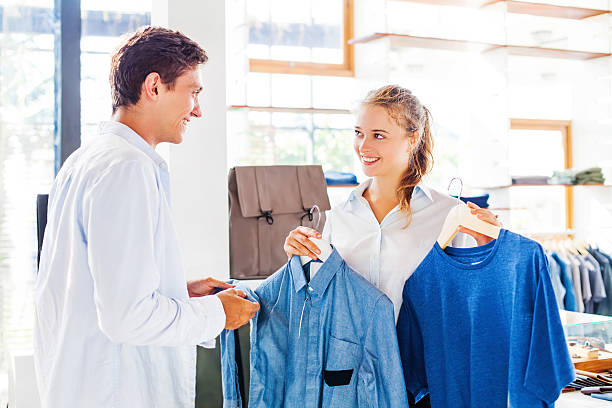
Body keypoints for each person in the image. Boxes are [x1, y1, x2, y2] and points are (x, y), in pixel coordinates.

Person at [34, 27, 259, 408]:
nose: (198, 109)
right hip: (117, 392)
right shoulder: (126, 168)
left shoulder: (87, 160)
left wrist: (177, 291)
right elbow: (127, 317)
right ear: (154, 87)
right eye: (193, 92)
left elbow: (96, 288)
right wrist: (215, 314)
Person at [284, 85, 502, 319]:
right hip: (352, 355)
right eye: (359, 133)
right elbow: (320, 297)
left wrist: (492, 250)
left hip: (419, 355)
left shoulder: (449, 215)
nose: (363, 146)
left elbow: (479, 301)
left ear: (412, 139)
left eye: (379, 135)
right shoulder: (340, 215)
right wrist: (298, 257)